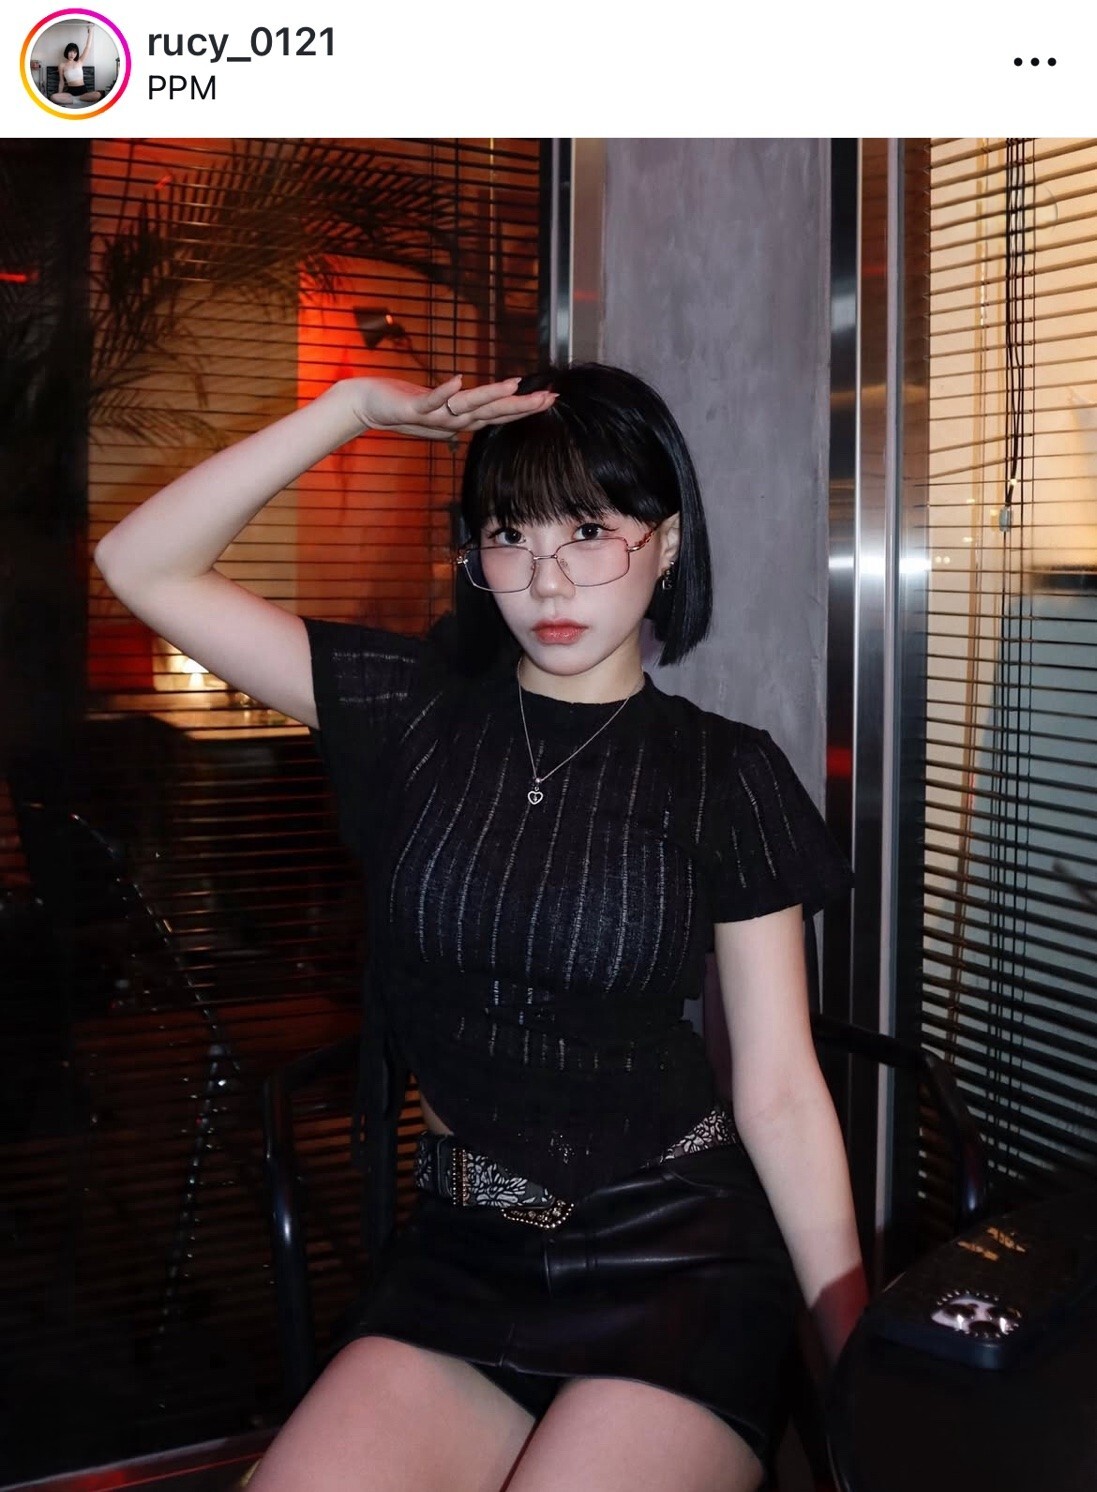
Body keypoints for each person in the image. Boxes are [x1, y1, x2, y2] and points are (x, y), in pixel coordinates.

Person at [94, 364, 868, 1492]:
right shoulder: (408, 713)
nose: (546, 579)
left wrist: (851, 1340)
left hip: (677, 1251)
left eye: (589, 531)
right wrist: (350, 409)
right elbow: (139, 564)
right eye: (509, 536)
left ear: (666, 543)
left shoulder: (722, 771)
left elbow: (780, 1090)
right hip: (463, 1253)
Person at [50, 28, 103, 105]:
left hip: (83, 92)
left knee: (98, 95)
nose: (72, 54)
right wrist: (59, 95)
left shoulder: (79, 62)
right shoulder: (62, 65)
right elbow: (61, 82)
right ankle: (78, 100)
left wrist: (91, 31)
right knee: (53, 97)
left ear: (76, 54)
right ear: (67, 52)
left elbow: (87, 47)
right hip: (70, 93)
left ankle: (77, 99)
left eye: (75, 52)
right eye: (70, 51)